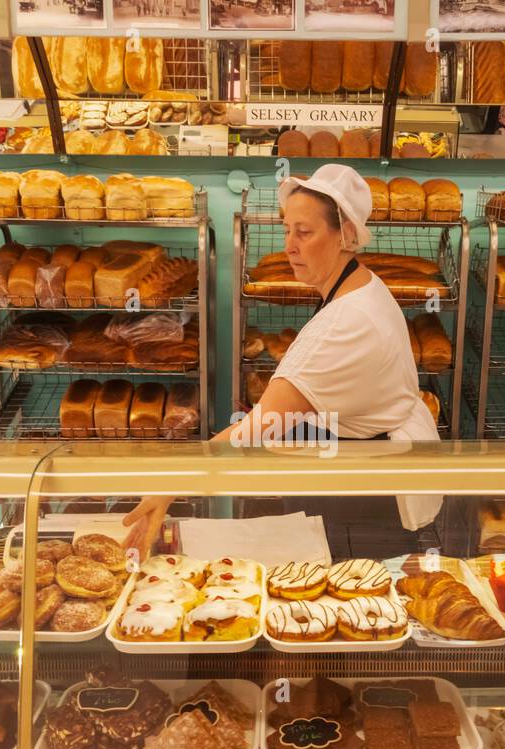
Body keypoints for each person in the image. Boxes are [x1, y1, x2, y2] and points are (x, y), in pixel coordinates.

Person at [122, 164, 440, 559]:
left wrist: (171, 483)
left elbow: (257, 430)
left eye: (304, 232)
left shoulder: (345, 323)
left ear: (347, 236)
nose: (289, 245)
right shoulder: (363, 284)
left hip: (361, 503)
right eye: (287, 229)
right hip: (362, 477)